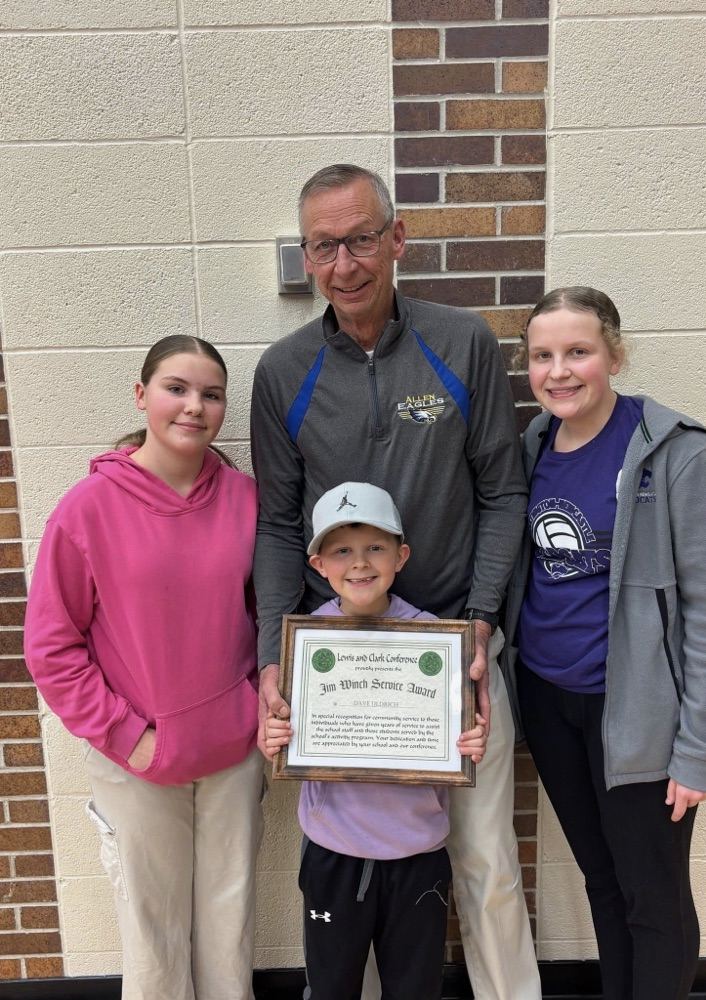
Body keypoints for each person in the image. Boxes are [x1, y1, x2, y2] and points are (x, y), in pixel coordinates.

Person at [251, 163, 541, 999]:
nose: (345, 263)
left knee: (485, 866)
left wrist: (480, 623)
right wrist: (277, 657)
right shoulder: (283, 372)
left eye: (361, 238)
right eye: (324, 246)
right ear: (306, 259)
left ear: (397, 239)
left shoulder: (463, 344)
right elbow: (277, 522)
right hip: (338, 668)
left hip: (455, 650)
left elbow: (502, 490)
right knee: (354, 869)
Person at [500, 287, 706, 999]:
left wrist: (703, 747)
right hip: (551, 705)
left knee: (654, 900)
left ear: (614, 353)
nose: (560, 371)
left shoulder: (680, 454)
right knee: (603, 882)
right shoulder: (532, 448)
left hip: (636, 717)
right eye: (543, 355)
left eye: (578, 351)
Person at [24, 335, 265, 1000]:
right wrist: (131, 736)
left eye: (210, 395)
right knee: (153, 942)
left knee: (229, 929)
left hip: (231, 755)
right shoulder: (88, 508)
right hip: (137, 759)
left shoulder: (248, 500)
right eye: (176, 389)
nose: (194, 407)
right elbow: (51, 645)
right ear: (141, 395)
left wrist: (254, 708)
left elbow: (271, 617)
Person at [266, 481, 488, 999]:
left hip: (417, 852)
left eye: (375, 547)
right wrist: (278, 737)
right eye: (342, 549)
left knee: (414, 989)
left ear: (400, 555)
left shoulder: (435, 636)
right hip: (333, 851)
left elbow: (457, 735)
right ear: (318, 564)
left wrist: (468, 743)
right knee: (331, 986)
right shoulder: (303, 644)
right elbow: (287, 735)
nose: (360, 563)